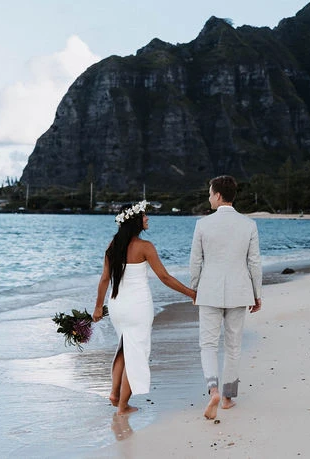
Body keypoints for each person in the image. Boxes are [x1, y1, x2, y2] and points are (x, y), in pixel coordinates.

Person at [93, 201, 196, 415]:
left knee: (124, 347)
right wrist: (191, 293)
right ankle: (123, 406)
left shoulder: (112, 246)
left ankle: (114, 394)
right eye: (144, 216)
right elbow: (165, 277)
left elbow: (104, 279)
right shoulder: (145, 247)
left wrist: (97, 308)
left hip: (117, 306)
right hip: (138, 307)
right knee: (136, 353)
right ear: (134, 221)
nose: (147, 218)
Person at [189, 175, 262, 420]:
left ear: (218, 195)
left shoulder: (202, 224)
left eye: (210, 194)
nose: (209, 198)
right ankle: (228, 397)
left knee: (208, 344)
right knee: (233, 345)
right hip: (240, 291)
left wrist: (194, 289)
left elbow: (195, 262)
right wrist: (257, 293)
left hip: (209, 291)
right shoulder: (248, 225)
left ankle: (213, 390)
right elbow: (254, 262)